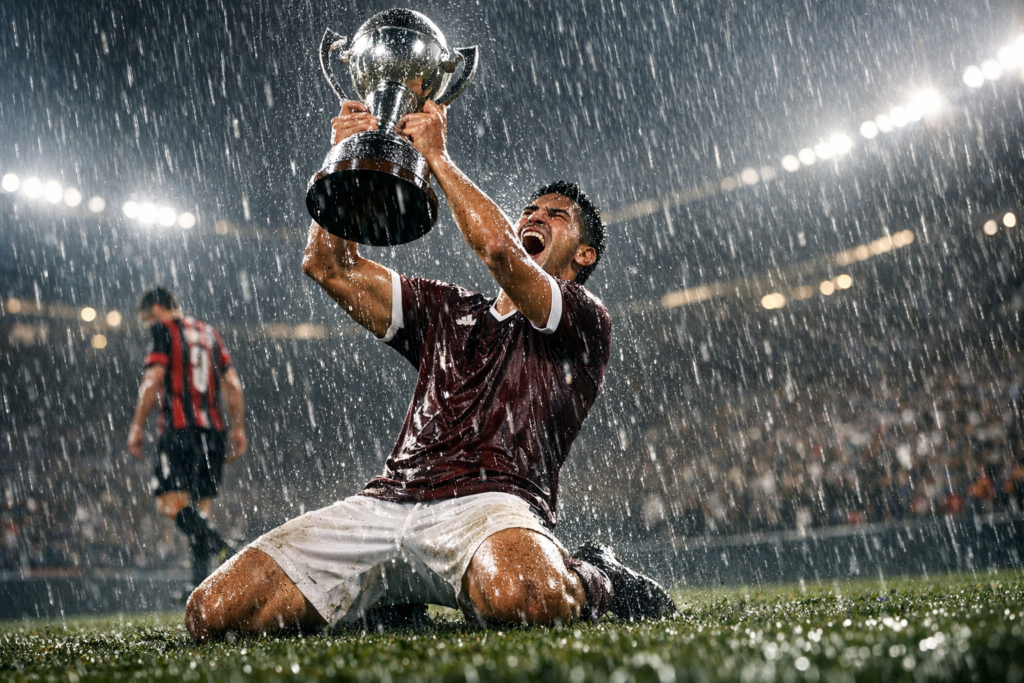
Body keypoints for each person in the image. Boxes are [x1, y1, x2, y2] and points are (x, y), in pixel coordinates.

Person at [185, 100, 675, 640]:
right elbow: (328, 266)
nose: (535, 216)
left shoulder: (585, 318)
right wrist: (346, 159)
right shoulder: (449, 309)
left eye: (555, 215)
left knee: (528, 599)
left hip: (492, 503)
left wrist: (436, 157)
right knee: (212, 612)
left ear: (584, 257)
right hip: (389, 498)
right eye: (530, 210)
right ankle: (384, 599)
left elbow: (497, 249)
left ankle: (597, 575)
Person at [127, 285, 248, 591]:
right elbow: (232, 384)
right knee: (200, 507)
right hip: (214, 431)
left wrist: (137, 426)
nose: (146, 325)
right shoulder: (209, 333)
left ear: (155, 310)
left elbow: (153, 379)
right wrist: (237, 427)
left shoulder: (163, 330)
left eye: (145, 319)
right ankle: (200, 587)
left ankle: (224, 549)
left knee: (168, 501)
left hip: (180, 429)